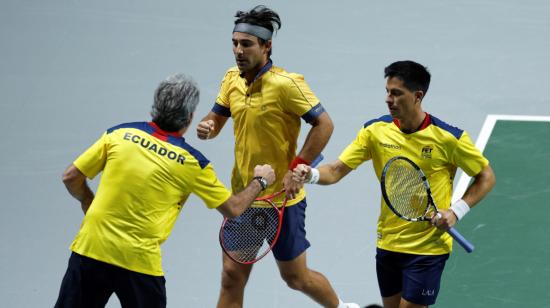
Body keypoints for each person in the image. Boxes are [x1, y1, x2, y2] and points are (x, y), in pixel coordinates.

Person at [54, 73, 277, 308]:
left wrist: (88, 201)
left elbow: (71, 177)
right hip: (139, 263)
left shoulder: (118, 135)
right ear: (189, 118)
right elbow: (234, 209)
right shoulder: (193, 163)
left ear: (155, 107)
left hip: (90, 249)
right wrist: (260, 181)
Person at [293, 61, 496, 308]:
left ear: (417, 96)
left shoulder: (448, 138)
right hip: (388, 243)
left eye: (396, 93)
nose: (388, 99)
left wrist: (456, 211)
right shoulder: (375, 131)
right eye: (388, 91)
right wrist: (310, 174)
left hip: (427, 249)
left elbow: (486, 176)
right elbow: (335, 171)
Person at [195, 5, 358, 308]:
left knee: (296, 278)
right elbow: (217, 116)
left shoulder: (287, 84)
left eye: (246, 44)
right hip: (245, 196)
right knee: (231, 276)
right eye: (235, 43)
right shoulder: (231, 78)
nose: (238, 51)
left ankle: (341, 307)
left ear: (267, 46)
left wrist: (296, 169)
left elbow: (325, 124)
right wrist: (209, 126)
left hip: (282, 200)